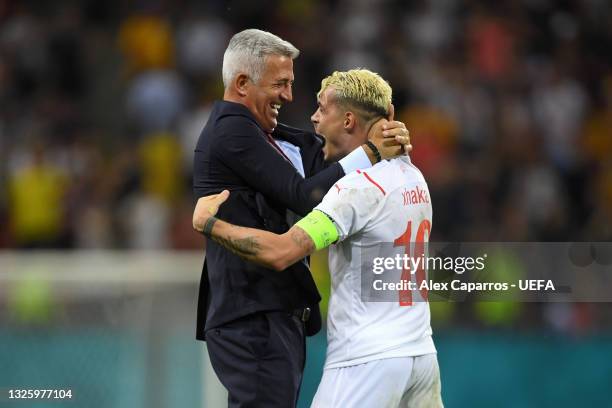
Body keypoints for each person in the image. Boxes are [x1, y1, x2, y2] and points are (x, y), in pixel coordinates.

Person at [193, 69, 443, 407]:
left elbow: (281, 252)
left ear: (349, 120)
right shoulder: (414, 177)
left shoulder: (356, 190)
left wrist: (211, 224)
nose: (313, 117)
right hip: (421, 357)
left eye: (323, 109)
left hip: (366, 361)